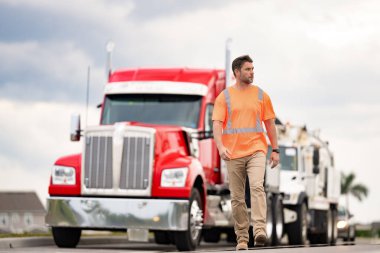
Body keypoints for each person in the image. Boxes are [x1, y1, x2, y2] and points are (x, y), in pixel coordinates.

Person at [212, 55, 280, 250]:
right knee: (237, 198)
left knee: (257, 187)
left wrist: (275, 150)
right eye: (248, 69)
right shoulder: (224, 97)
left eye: (252, 68)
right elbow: (217, 124)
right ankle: (242, 238)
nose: (252, 72)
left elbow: (270, 124)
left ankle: (259, 230)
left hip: (257, 150)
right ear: (236, 72)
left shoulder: (261, 95)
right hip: (233, 153)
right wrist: (220, 146)